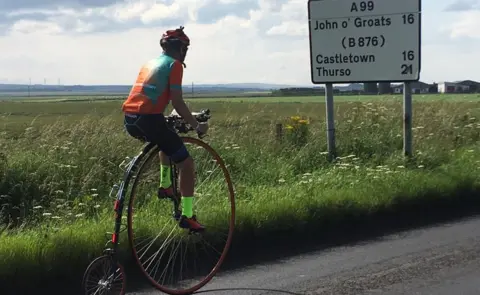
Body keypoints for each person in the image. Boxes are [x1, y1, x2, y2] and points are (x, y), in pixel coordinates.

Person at [121, 26, 208, 231]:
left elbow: (149, 99)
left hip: (131, 120)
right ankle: (187, 215)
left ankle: (166, 185)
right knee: (186, 164)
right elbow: (177, 101)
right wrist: (197, 125)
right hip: (149, 120)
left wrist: (180, 117)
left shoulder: (150, 64)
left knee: (165, 137)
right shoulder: (175, 65)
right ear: (181, 49)